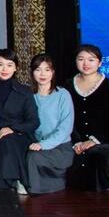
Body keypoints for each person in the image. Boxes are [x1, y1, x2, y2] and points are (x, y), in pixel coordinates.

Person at [66, 44, 109, 191]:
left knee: (96, 156)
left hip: (108, 141)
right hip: (74, 142)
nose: (85, 63)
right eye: (81, 59)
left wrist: (93, 140)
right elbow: (64, 118)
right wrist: (77, 141)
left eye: (91, 59)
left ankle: (103, 198)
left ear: (100, 63)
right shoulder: (67, 86)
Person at [0, 49, 40, 192]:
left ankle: (1, 183)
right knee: (3, 141)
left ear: (16, 68)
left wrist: (12, 129)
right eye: (0, 65)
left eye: (9, 65)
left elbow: (34, 122)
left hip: (19, 135)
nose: (5, 69)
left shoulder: (25, 91)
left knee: (7, 140)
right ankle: (16, 180)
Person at [24, 53, 75, 194]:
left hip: (60, 147)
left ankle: (35, 189)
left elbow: (65, 128)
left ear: (53, 72)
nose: (43, 74)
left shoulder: (62, 94)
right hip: (35, 143)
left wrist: (43, 144)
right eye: (38, 69)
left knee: (34, 157)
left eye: (47, 70)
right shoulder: (28, 95)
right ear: (32, 72)